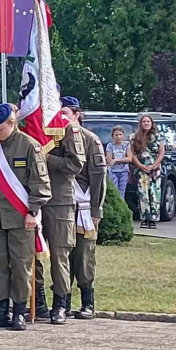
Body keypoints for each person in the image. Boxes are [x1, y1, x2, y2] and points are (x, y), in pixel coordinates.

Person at [0, 104, 51, 331]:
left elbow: (40, 184)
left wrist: (33, 211)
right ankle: (0, 309)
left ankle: (19, 310)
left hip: (21, 218)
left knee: (20, 265)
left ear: (12, 123)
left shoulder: (30, 146)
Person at [34, 110, 85, 325]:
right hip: (33, 198)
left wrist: (47, 158)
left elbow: (75, 164)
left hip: (59, 200)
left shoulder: (67, 127)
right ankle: (36, 302)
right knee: (32, 252)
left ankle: (60, 303)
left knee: (59, 254)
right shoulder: (29, 120)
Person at [61, 98, 107, 320]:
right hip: (62, 207)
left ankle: (88, 301)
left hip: (84, 208)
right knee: (63, 255)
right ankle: (64, 301)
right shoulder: (55, 138)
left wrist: (96, 210)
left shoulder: (90, 140)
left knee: (84, 256)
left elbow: (99, 177)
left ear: (76, 114)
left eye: (65, 113)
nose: (61, 117)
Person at [131, 114, 165, 229]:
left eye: (148, 121)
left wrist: (154, 165)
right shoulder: (134, 137)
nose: (146, 123)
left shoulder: (158, 137)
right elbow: (133, 154)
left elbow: (161, 153)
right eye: (144, 121)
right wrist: (140, 166)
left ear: (151, 123)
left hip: (155, 170)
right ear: (141, 123)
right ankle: (145, 217)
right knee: (143, 194)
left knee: (154, 193)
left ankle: (154, 218)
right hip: (141, 170)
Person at [105, 126, 132, 198]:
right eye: (116, 135)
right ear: (113, 136)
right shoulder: (110, 146)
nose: (118, 137)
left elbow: (129, 158)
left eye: (120, 134)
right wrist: (121, 160)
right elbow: (109, 161)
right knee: (115, 192)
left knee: (122, 193)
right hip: (113, 171)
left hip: (124, 171)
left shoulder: (127, 145)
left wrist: (116, 160)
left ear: (123, 135)